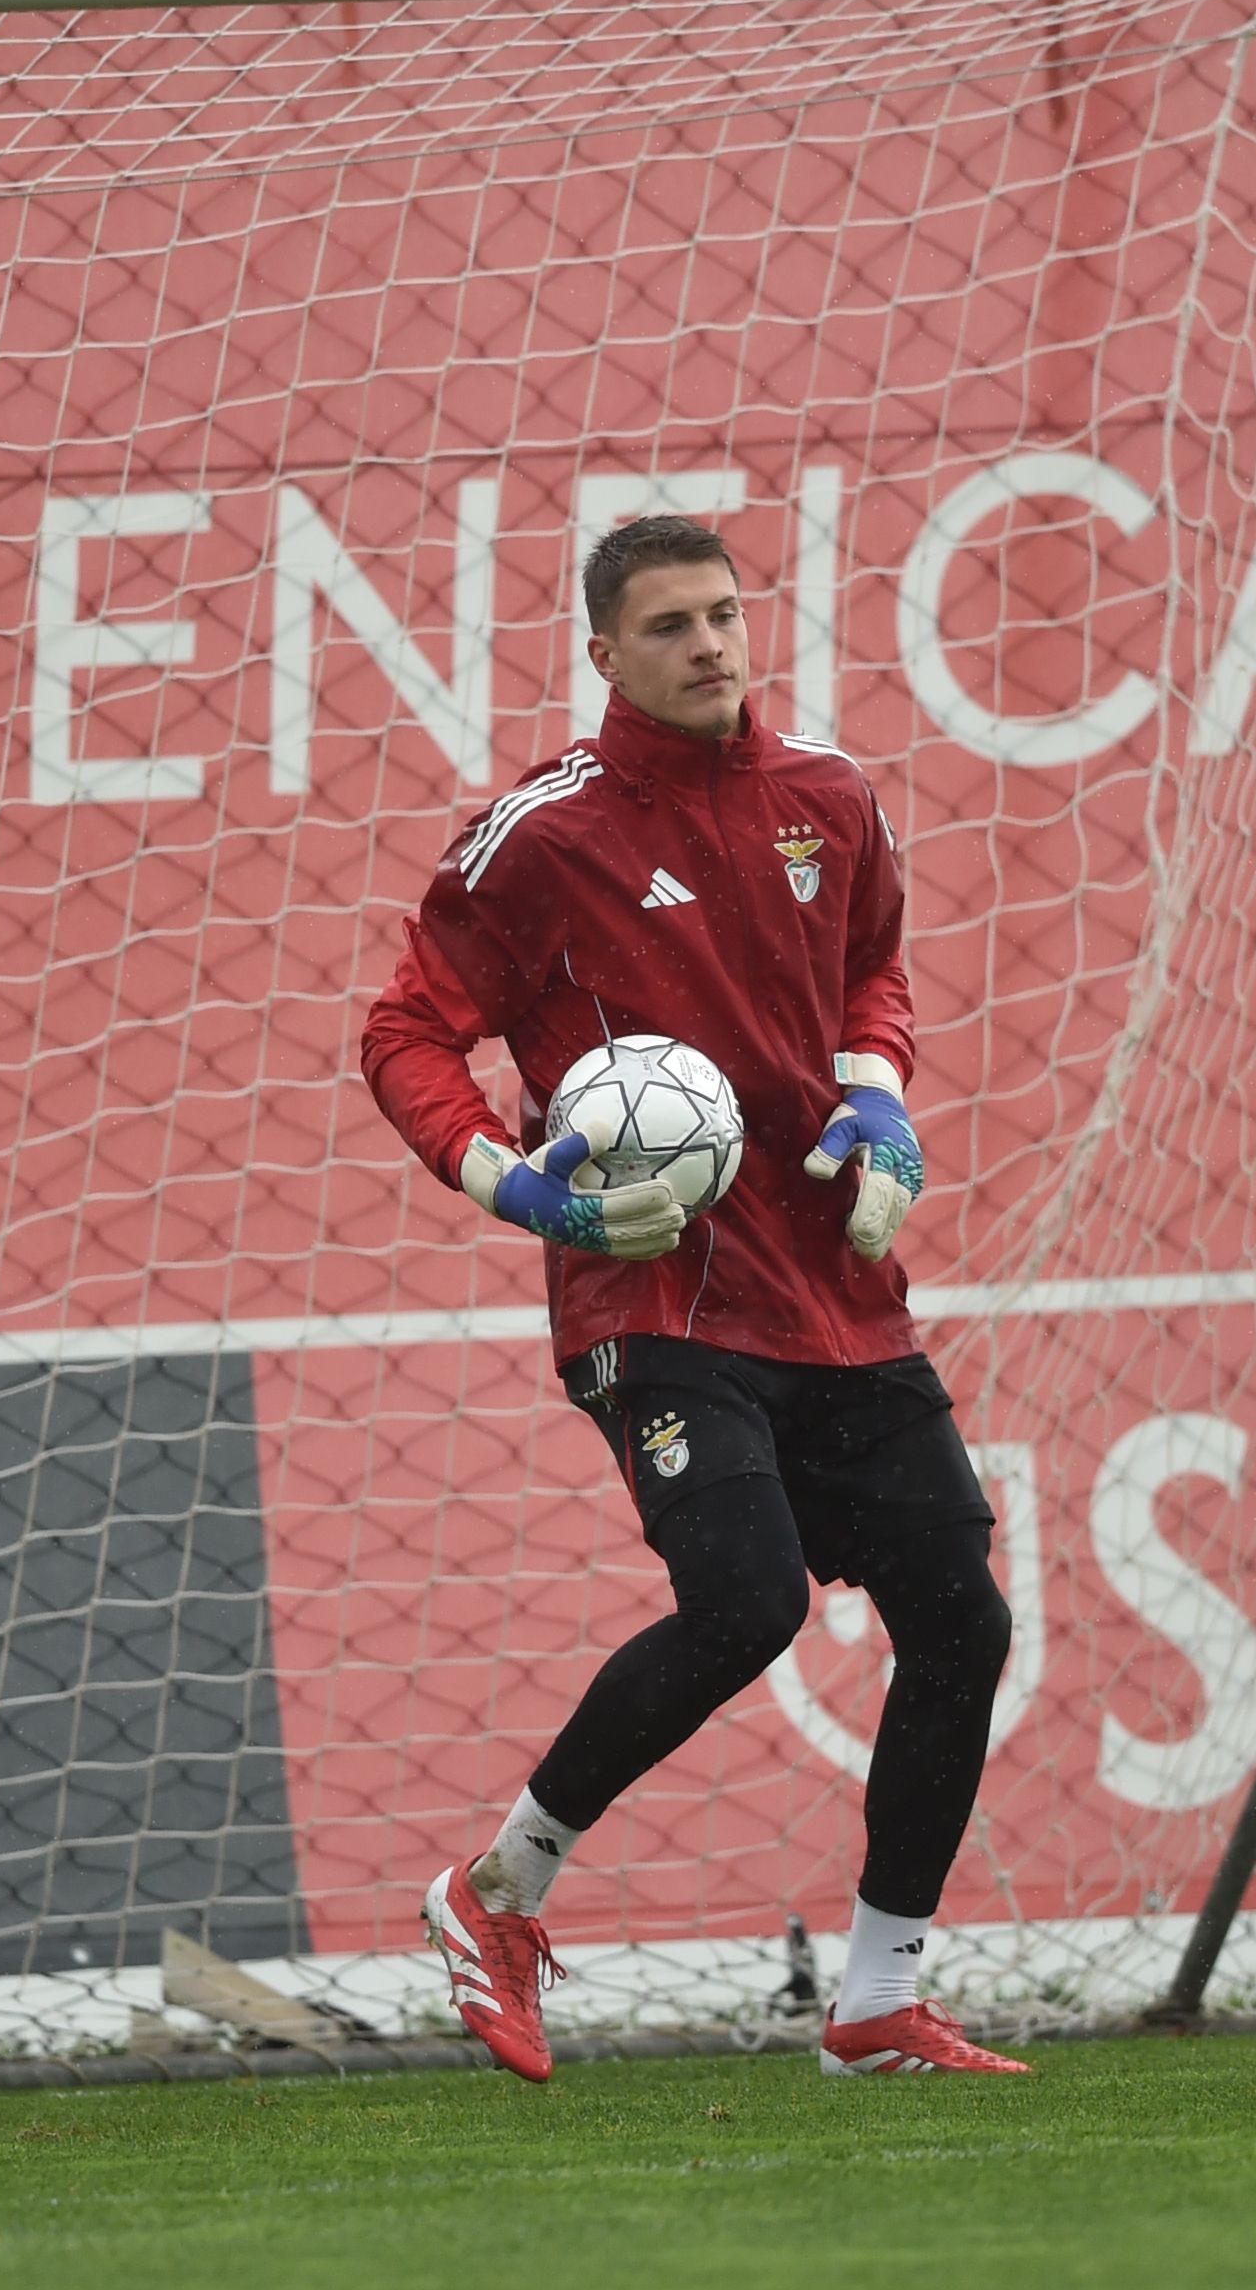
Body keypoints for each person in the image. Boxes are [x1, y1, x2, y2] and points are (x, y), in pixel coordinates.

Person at [354, 512, 1027, 2081]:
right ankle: (498, 1890)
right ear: (605, 654)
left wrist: (878, 1098)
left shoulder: (828, 795)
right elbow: (406, 1034)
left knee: (963, 1621)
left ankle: (874, 1996)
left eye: (724, 614)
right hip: (649, 1298)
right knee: (745, 1601)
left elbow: (872, 973)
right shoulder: (544, 835)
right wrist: (510, 1183)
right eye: (670, 626)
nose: (712, 643)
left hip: (838, 1290)